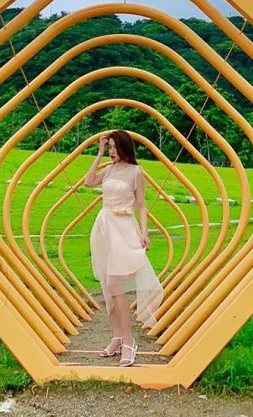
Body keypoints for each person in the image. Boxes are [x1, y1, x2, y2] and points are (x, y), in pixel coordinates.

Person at [83, 130, 163, 368]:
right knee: (108, 286)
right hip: (104, 229)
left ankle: (129, 342)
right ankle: (117, 337)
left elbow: (141, 205)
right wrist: (99, 153)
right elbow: (88, 181)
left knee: (117, 286)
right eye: (110, 150)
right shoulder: (108, 169)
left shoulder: (136, 172)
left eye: (116, 149)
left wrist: (144, 232)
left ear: (126, 148)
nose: (113, 153)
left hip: (124, 230)